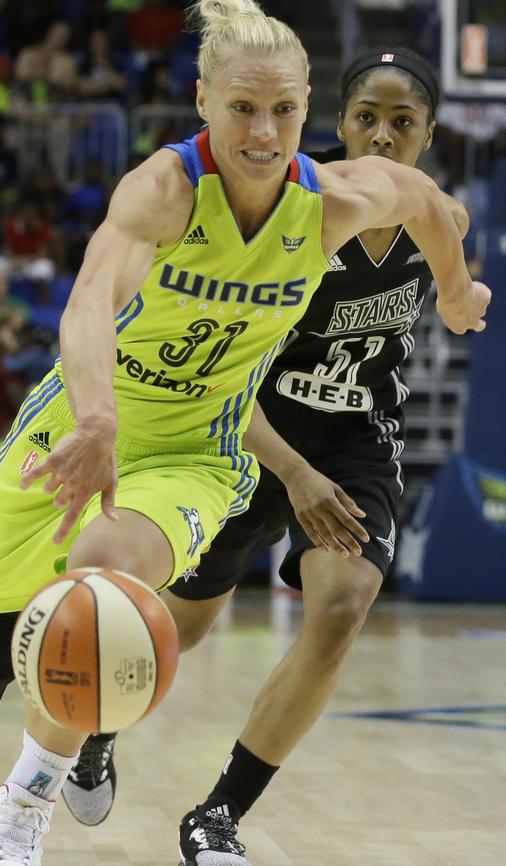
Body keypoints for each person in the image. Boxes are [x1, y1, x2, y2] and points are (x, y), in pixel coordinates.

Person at [0, 3, 490, 866]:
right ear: (201, 100)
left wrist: (455, 294)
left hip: (198, 453)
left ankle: (25, 803)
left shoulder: (330, 200)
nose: (263, 133)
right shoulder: (164, 189)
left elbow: (421, 197)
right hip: (80, 430)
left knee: (102, 590)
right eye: (241, 109)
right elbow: (88, 302)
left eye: (283, 112)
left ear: (308, 116)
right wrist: (98, 420)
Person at [62, 45, 481, 864]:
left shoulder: (441, 218)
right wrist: (293, 471)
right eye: (368, 118)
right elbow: (219, 373)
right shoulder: (301, 208)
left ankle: (217, 815)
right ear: (338, 124)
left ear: (429, 136)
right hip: (246, 427)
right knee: (175, 629)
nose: (384, 138)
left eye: (404, 123)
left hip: (357, 438)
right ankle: (94, 737)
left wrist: (462, 293)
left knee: (341, 607)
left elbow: (447, 242)